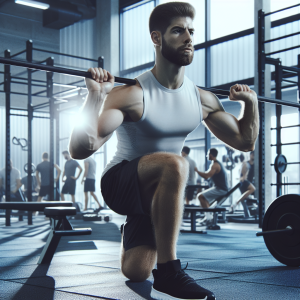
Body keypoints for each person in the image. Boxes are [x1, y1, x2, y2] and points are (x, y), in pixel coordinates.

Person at [69, 2, 259, 299]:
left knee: (136, 272)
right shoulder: (132, 94)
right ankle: (169, 272)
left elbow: (245, 141)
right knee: (176, 163)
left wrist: (252, 104)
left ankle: (137, 229)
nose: (188, 37)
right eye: (178, 31)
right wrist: (95, 97)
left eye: (191, 31)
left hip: (155, 192)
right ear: (156, 38)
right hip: (119, 182)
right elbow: (82, 148)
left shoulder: (202, 99)